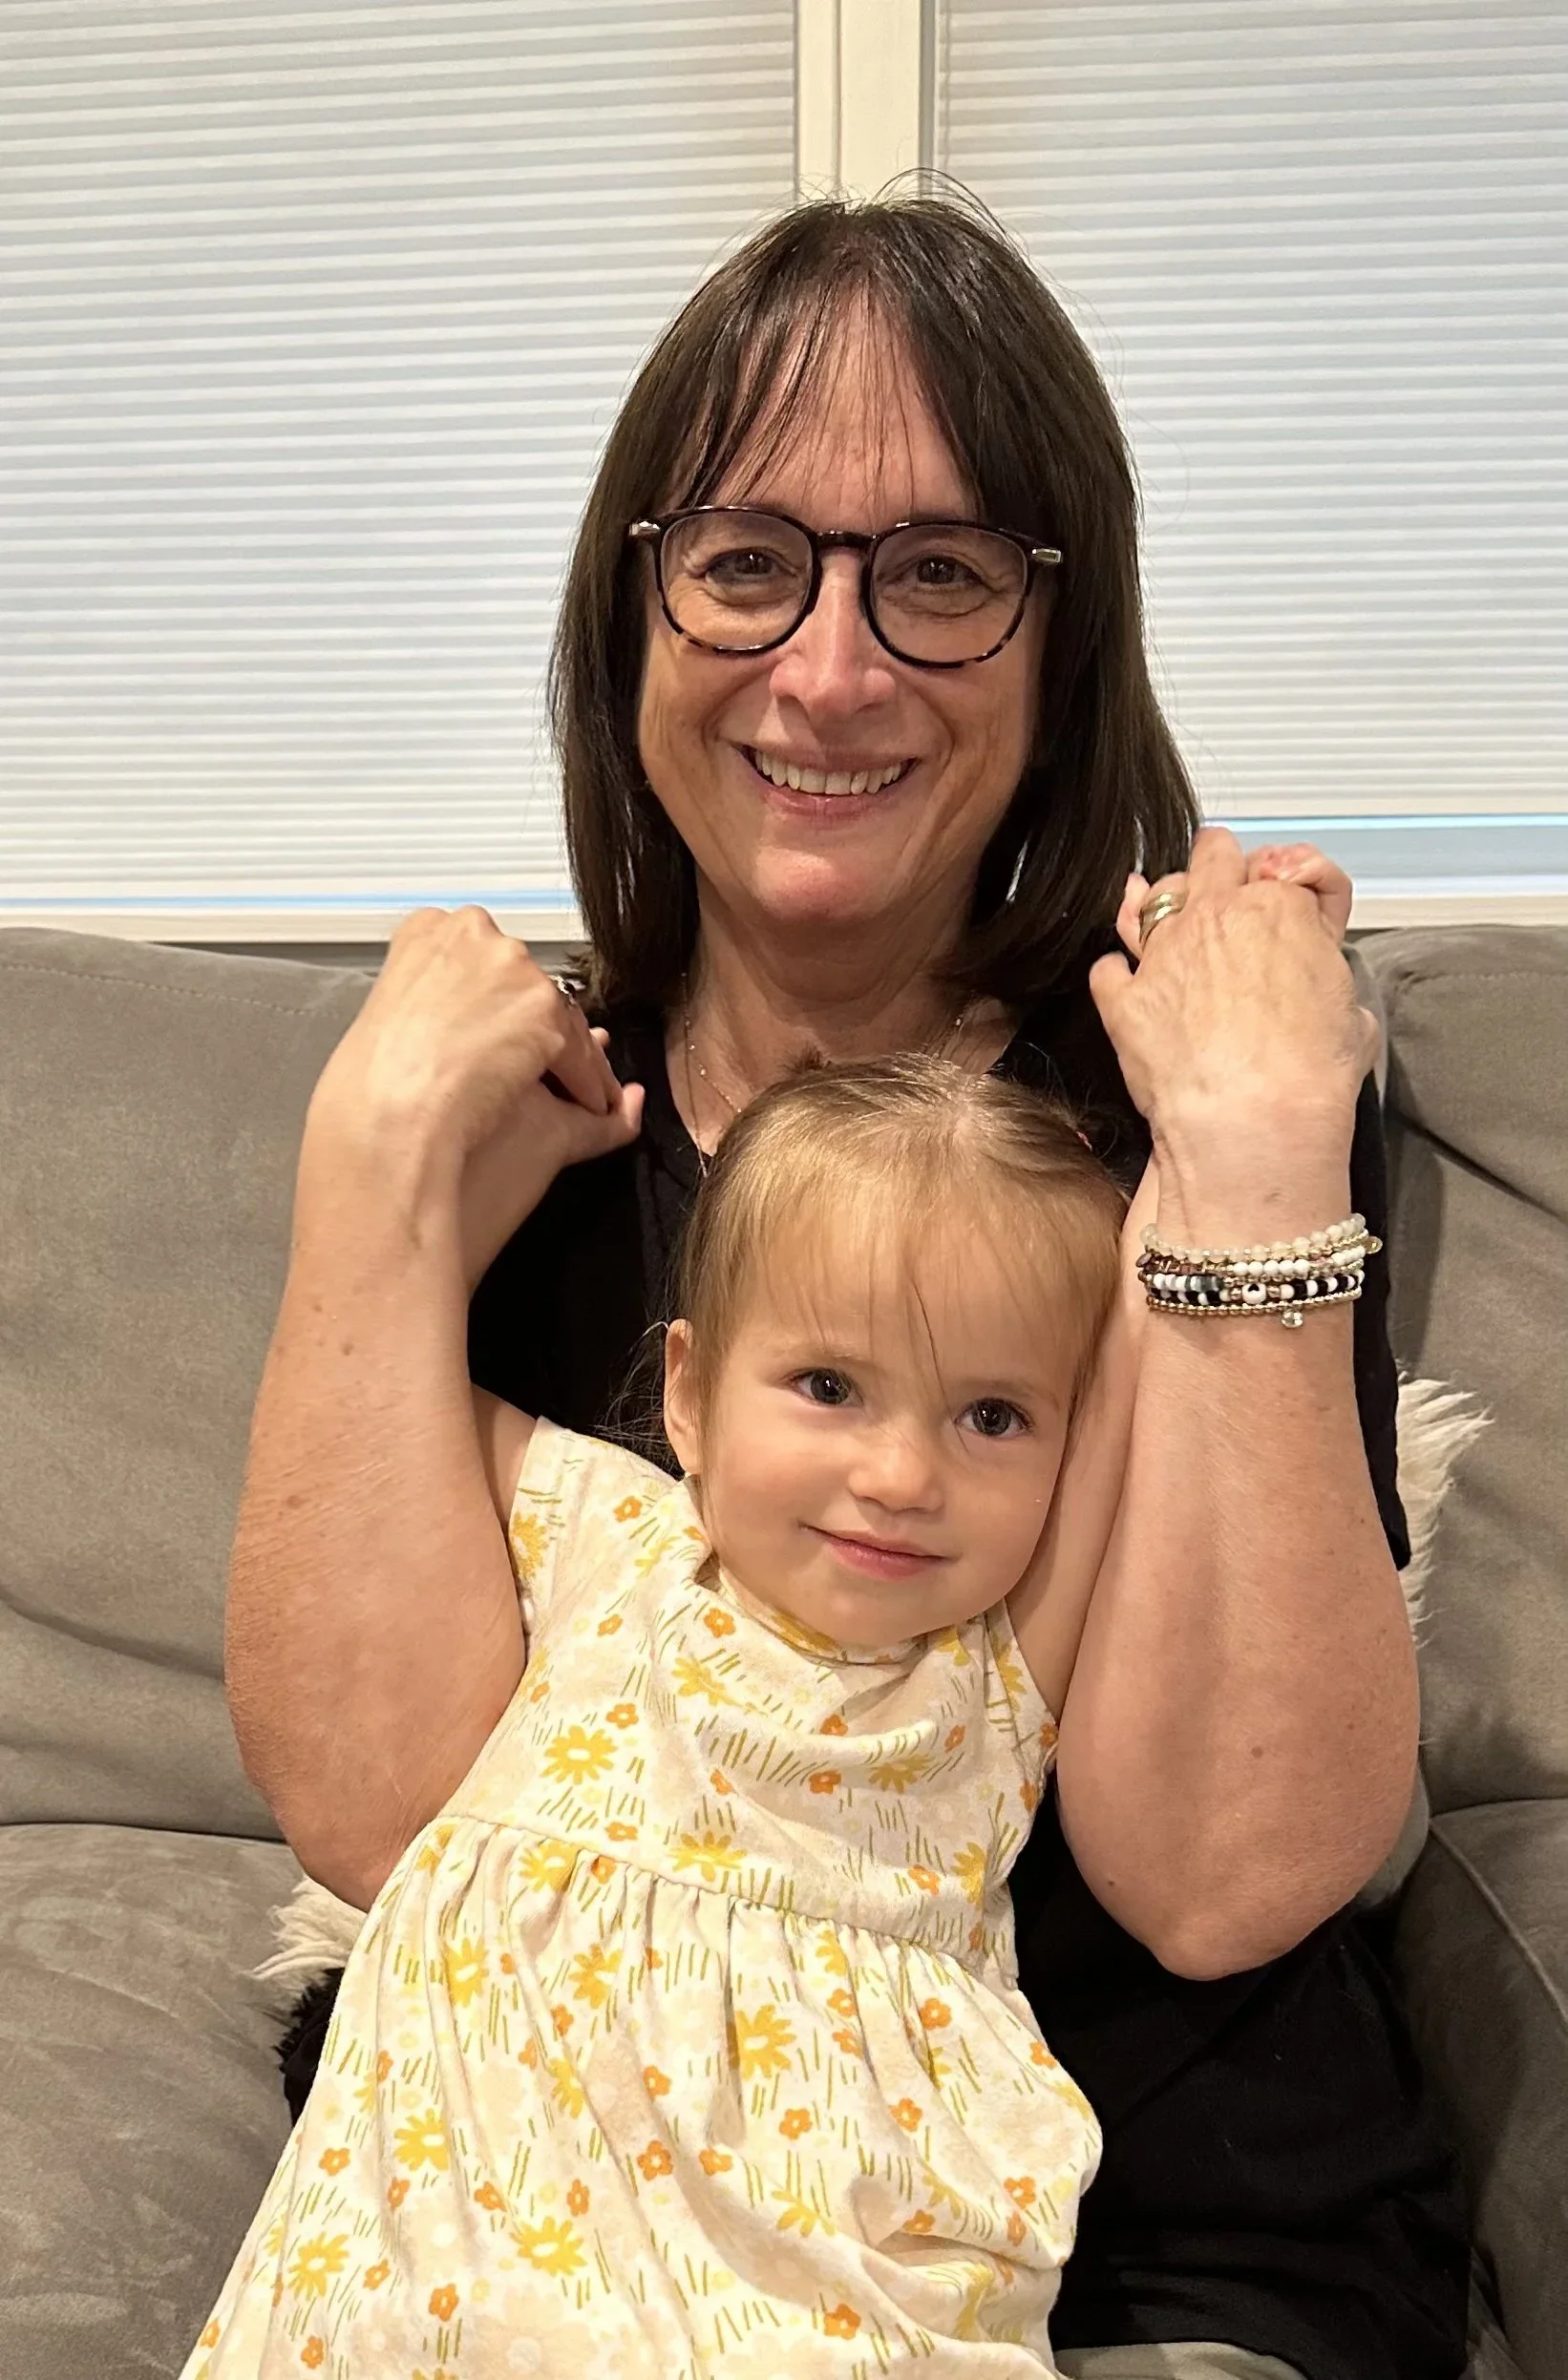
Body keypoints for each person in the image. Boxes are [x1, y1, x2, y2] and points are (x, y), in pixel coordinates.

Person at [225, 196, 1470, 2380]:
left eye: (939, 574)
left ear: (1059, 638)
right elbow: (381, 1810)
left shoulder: (1187, 1091)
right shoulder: (523, 1123)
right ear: (631, 612)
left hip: (1150, 2221)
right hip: (549, 2212)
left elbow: (1220, 1877)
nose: (826, 668)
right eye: (743, 562)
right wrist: (367, 1191)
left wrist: (1257, 1159)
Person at [190, 1059, 1142, 2374]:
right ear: (686, 1396)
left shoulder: (994, 1670)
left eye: (993, 1415)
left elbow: (1134, 1375)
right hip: (454, 2241)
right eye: (828, 1385)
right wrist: (447, 1189)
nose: (900, 1475)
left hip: (817, 2274)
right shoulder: (609, 1535)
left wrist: (1225, 1125)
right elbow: (373, 1379)